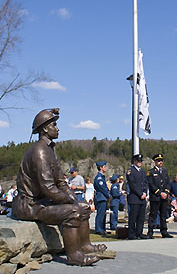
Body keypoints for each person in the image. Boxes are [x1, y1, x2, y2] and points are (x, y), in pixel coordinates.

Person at [12, 108, 106, 266]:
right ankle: (74, 256)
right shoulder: (39, 151)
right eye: (54, 125)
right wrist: (68, 200)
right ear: (44, 129)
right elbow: (47, 187)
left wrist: (72, 197)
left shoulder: (49, 149)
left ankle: (85, 246)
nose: (58, 128)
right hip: (30, 204)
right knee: (73, 212)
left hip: (41, 202)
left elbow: (60, 180)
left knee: (82, 207)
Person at [146, 153, 173, 239]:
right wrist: (159, 193)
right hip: (156, 196)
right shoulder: (151, 172)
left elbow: (168, 183)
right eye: (158, 161)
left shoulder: (164, 171)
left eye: (161, 161)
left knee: (163, 215)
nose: (160, 162)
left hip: (164, 197)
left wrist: (166, 192)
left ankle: (164, 231)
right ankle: (150, 232)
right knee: (153, 214)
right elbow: (151, 184)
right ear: (155, 162)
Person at [126, 154, 148, 240]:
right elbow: (132, 185)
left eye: (140, 161)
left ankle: (139, 232)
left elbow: (146, 183)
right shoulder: (130, 171)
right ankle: (132, 234)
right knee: (133, 217)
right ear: (134, 161)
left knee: (141, 217)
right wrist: (140, 194)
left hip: (142, 197)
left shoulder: (142, 171)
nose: (139, 163)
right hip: (135, 197)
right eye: (138, 161)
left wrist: (145, 193)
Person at [94, 161, 111, 235]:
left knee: (103, 214)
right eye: (104, 166)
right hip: (101, 197)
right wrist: (108, 195)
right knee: (100, 214)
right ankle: (99, 229)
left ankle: (102, 229)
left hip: (103, 197)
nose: (106, 168)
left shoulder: (102, 177)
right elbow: (102, 188)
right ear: (101, 168)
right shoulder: (99, 178)